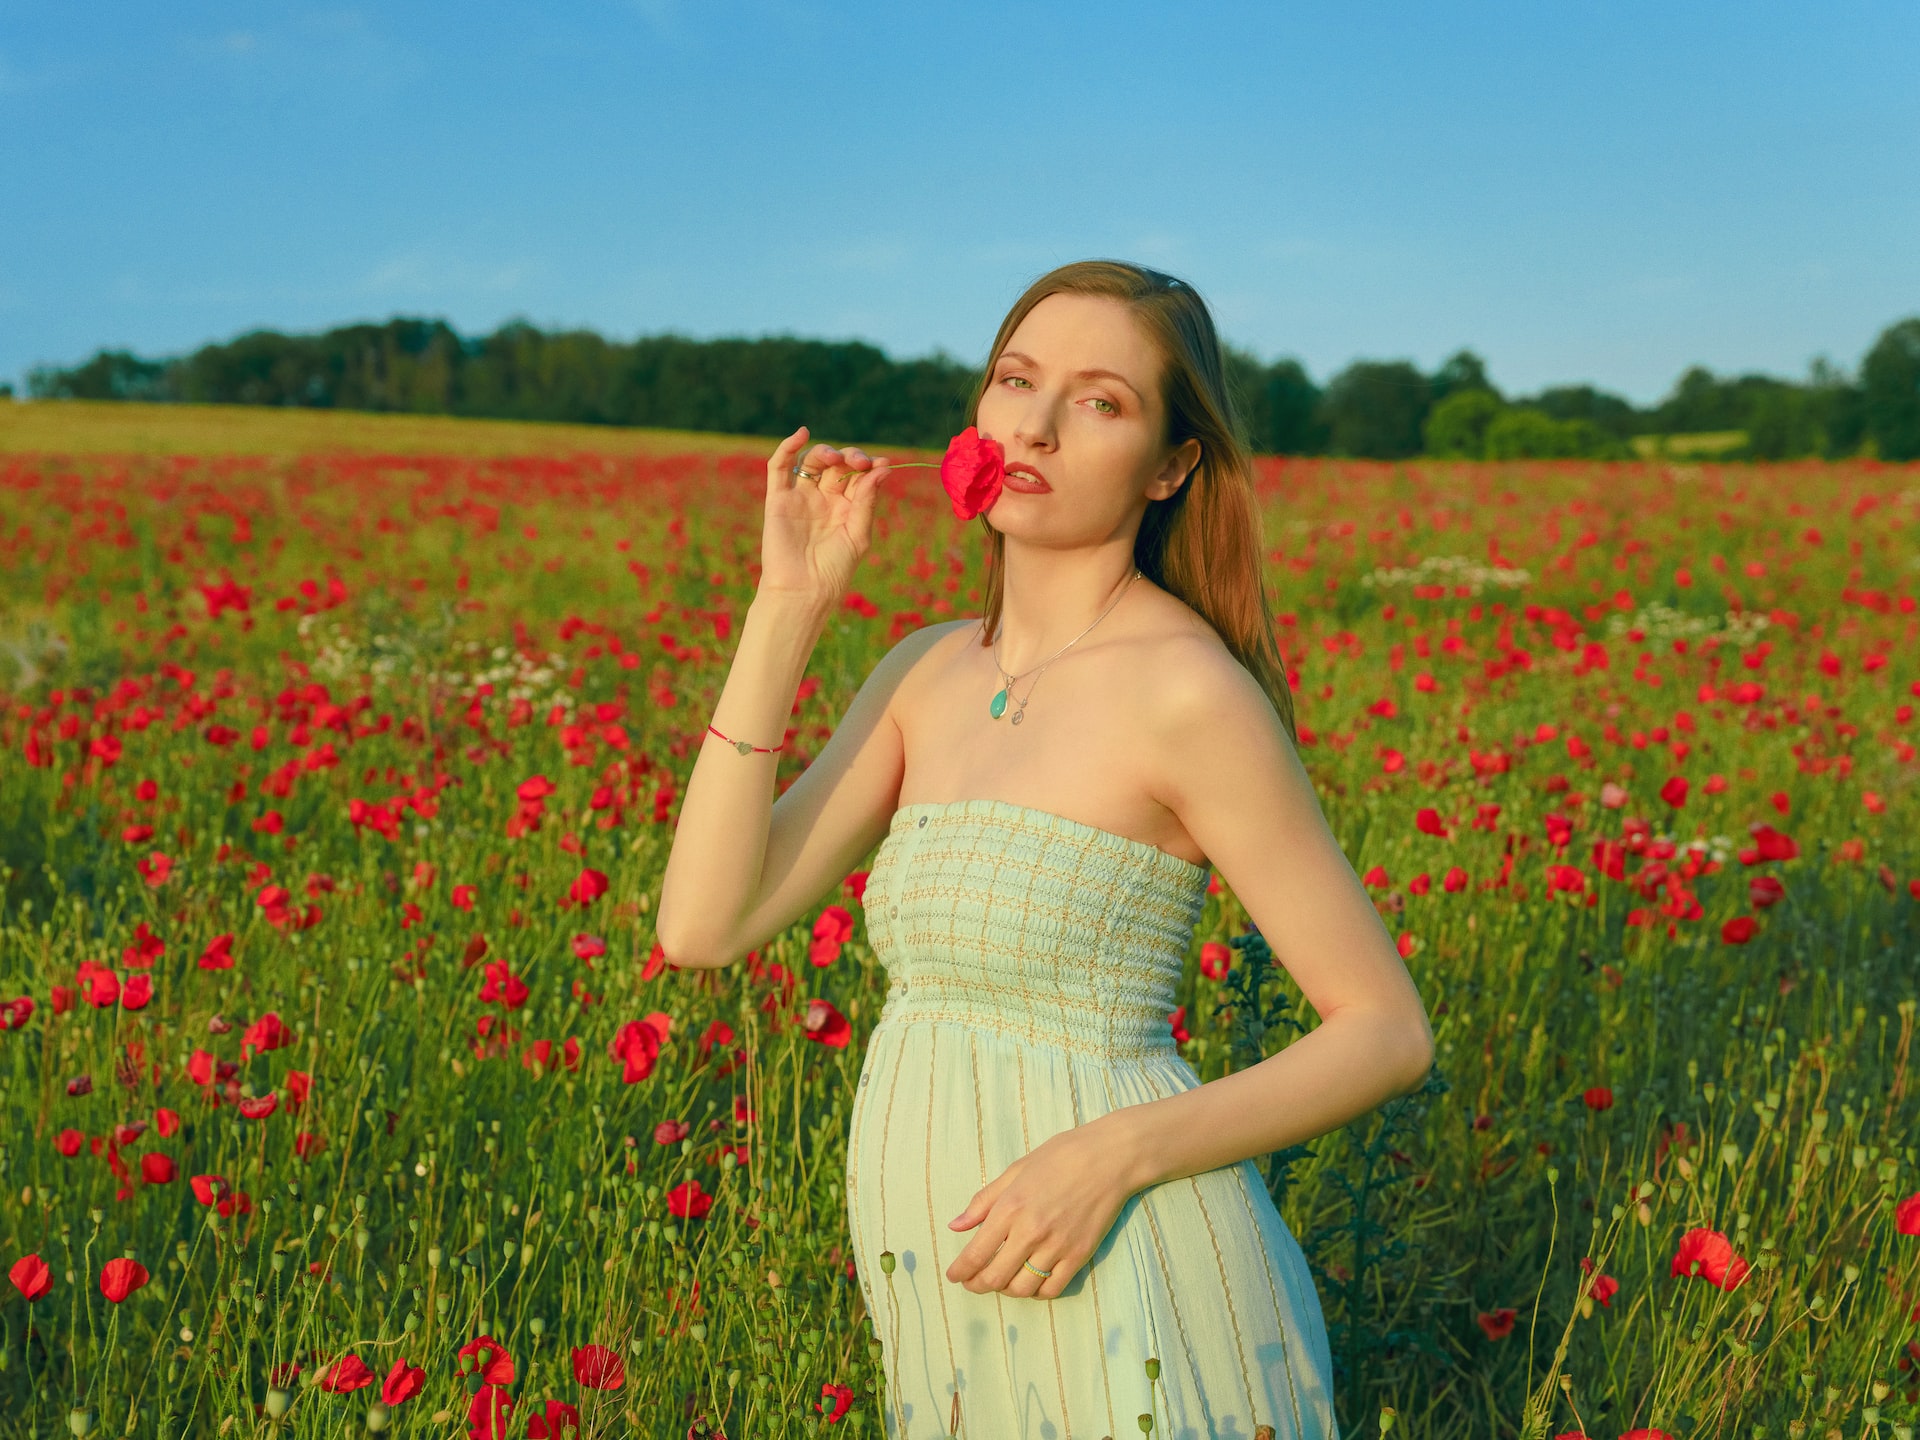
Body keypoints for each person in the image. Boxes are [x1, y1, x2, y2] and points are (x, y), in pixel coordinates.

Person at [656, 259, 1434, 1439]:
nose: (1035, 423)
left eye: (1100, 401)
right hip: (943, 1285)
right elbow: (701, 928)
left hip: (1135, 1265)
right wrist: (787, 608)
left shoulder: (1187, 692)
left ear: (1173, 466)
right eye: (1016, 380)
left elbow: (1385, 1032)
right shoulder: (922, 674)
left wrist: (1111, 1159)